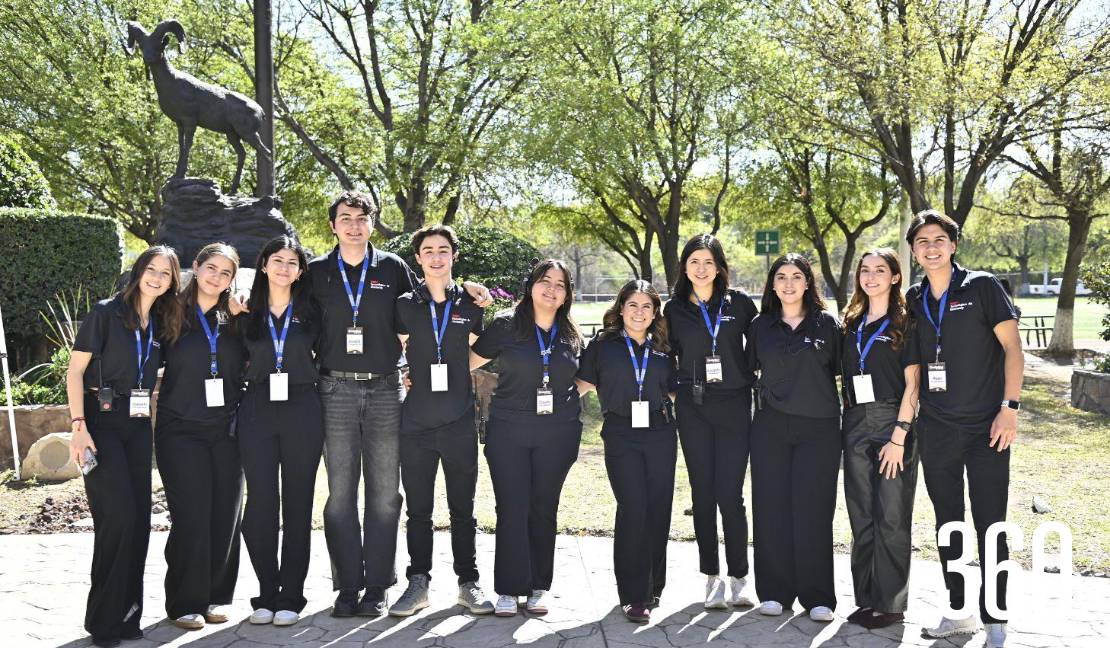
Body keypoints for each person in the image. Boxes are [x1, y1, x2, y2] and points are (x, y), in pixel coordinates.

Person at [308, 191, 491, 617]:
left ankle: (378, 586)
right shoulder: (316, 272)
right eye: (345, 218)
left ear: (372, 224)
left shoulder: (393, 269)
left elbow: (428, 311)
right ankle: (348, 585)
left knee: (387, 496)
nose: (354, 225)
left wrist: (469, 294)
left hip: (387, 390)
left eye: (362, 218)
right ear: (333, 224)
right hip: (334, 390)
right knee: (339, 496)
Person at [905, 210, 1023, 648]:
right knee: (947, 524)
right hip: (937, 429)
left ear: (953, 245)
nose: (931, 247)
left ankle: (996, 616)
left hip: (988, 428)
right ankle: (958, 611)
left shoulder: (983, 287)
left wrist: (1009, 408)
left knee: (990, 522)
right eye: (922, 241)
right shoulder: (914, 299)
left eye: (939, 239)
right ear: (914, 251)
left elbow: (1013, 348)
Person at [67, 246, 184, 647]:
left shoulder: (163, 323)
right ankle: (103, 621)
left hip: (137, 427)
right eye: (150, 269)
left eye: (165, 274)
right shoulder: (104, 313)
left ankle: (128, 615)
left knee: (137, 522)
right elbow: (75, 370)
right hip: (100, 422)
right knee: (116, 518)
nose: (156, 278)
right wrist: (78, 427)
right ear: (137, 272)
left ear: (172, 281)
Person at [389, 224, 493, 617]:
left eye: (443, 250)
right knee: (418, 509)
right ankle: (418, 583)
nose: (436, 257)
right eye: (428, 251)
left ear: (453, 256)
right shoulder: (403, 304)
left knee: (462, 508)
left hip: (458, 420)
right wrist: (404, 370)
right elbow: (396, 349)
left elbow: (477, 352)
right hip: (414, 423)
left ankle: (468, 582)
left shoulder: (469, 304)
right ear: (418, 259)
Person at [470, 259, 583, 618]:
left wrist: (564, 403)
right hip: (509, 430)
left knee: (543, 508)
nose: (552, 289)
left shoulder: (571, 334)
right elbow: (468, 360)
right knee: (512, 507)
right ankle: (508, 588)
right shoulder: (506, 325)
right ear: (531, 285)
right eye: (545, 281)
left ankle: (537, 587)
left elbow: (588, 377)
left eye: (560, 284)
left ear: (567, 294)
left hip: (558, 433)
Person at [662, 234, 758, 609]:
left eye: (708, 262)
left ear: (719, 267)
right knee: (702, 494)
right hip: (694, 406)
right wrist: (676, 392)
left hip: (734, 404)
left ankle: (739, 577)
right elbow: (662, 353)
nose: (701, 269)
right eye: (693, 262)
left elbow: (763, 344)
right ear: (684, 267)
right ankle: (711, 577)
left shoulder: (740, 304)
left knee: (730, 496)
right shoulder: (673, 309)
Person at [155, 243, 246, 631]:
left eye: (226, 273)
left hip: (227, 429)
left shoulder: (238, 314)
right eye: (211, 268)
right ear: (196, 267)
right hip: (180, 428)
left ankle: (215, 596)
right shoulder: (169, 308)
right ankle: (184, 602)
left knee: (226, 513)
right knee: (191, 515)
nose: (216, 278)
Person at [747, 253, 843, 621]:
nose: (789, 283)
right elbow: (750, 370)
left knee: (814, 510)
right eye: (781, 277)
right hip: (770, 427)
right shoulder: (760, 326)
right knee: (771, 508)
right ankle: (774, 592)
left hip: (818, 429)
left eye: (796, 276)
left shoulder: (828, 325)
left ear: (808, 283)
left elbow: (840, 373)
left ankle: (817, 596)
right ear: (772, 284)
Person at [577, 280, 677, 624]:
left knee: (659, 507)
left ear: (655, 312)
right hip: (620, 434)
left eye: (646, 306)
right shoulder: (603, 346)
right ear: (620, 309)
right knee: (634, 507)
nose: (639, 312)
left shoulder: (664, 347)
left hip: (661, 431)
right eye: (632, 305)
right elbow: (580, 385)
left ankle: (654, 586)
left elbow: (675, 390)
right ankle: (633, 595)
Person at [238, 236, 324, 627]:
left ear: (300, 271)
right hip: (256, 407)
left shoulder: (312, 311)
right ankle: (265, 593)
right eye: (277, 260)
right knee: (260, 504)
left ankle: (291, 594)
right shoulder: (244, 311)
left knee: (297, 503)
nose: (284, 268)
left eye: (292, 262)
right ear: (263, 265)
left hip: (302, 407)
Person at [839, 249, 920, 629]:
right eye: (865, 270)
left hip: (892, 422)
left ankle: (891, 603)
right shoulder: (851, 322)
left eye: (880, 270)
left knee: (890, 515)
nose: (871, 277)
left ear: (895, 277)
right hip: (854, 421)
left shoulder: (905, 321)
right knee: (862, 514)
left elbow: (913, 384)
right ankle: (867, 598)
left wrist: (899, 435)